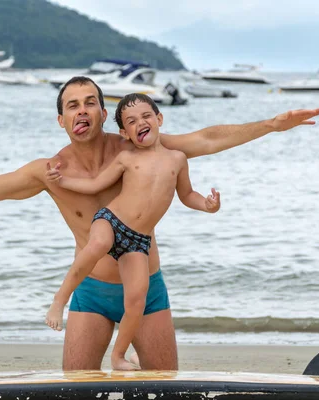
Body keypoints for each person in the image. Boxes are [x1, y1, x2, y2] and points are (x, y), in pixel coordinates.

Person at [0, 76, 319, 370]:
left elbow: (204, 139)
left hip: (145, 287)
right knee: (76, 388)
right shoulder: (49, 171)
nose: (82, 110)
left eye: (90, 102)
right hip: (90, 293)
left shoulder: (136, 147)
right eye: (72, 105)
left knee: (164, 388)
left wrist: (269, 124)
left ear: (101, 111)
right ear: (61, 119)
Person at [44, 93, 220, 370]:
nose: (141, 123)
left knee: (137, 300)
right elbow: (94, 185)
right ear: (125, 133)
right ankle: (59, 300)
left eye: (146, 116)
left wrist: (207, 205)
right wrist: (62, 180)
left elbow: (187, 195)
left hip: (138, 240)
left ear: (159, 119)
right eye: (131, 121)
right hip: (112, 221)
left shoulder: (177, 159)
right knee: (95, 247)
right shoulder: (126, 158)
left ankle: (119, 356)